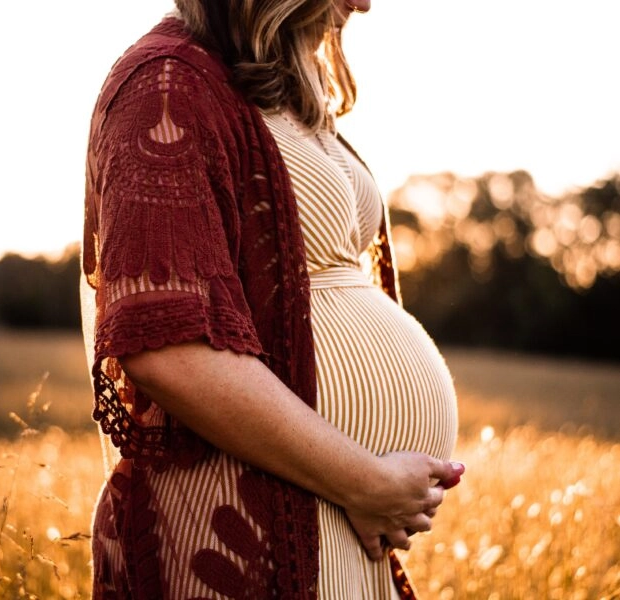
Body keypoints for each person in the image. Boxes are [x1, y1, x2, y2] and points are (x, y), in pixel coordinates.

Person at [80, 1, 463, 598]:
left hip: (333, 512)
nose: (364, 4)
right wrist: (364, 480)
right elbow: (167, 346)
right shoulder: (164, 84)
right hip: (245, 525)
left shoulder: (278, 89)